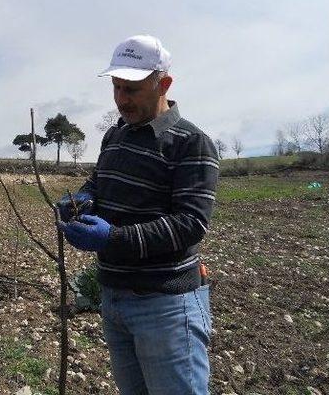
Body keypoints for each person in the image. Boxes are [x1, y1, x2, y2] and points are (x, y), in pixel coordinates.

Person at [58, 35, 219, 394]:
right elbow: (98, 182)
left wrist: (112, 239)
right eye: (116, 87)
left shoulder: (191, 143)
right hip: (113, 298)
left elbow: (190, 224)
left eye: (131, 89)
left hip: (165, 307)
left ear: (163, 84)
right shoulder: (115, 136)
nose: (120, 99)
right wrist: (82, 199)